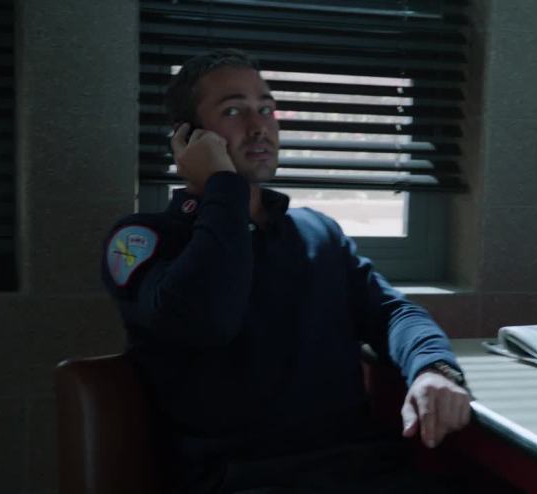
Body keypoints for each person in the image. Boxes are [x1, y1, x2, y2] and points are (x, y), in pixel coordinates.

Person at [102, 48, 471, 493]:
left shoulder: (316, 232)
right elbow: (208, 320)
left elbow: (393, 312)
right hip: (239, 479)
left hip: (361, 468)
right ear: (188, 138)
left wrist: (434, 368)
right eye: (233, 110)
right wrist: (224, 188)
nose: (259, 126)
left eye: (265, 108)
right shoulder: (141, 240)